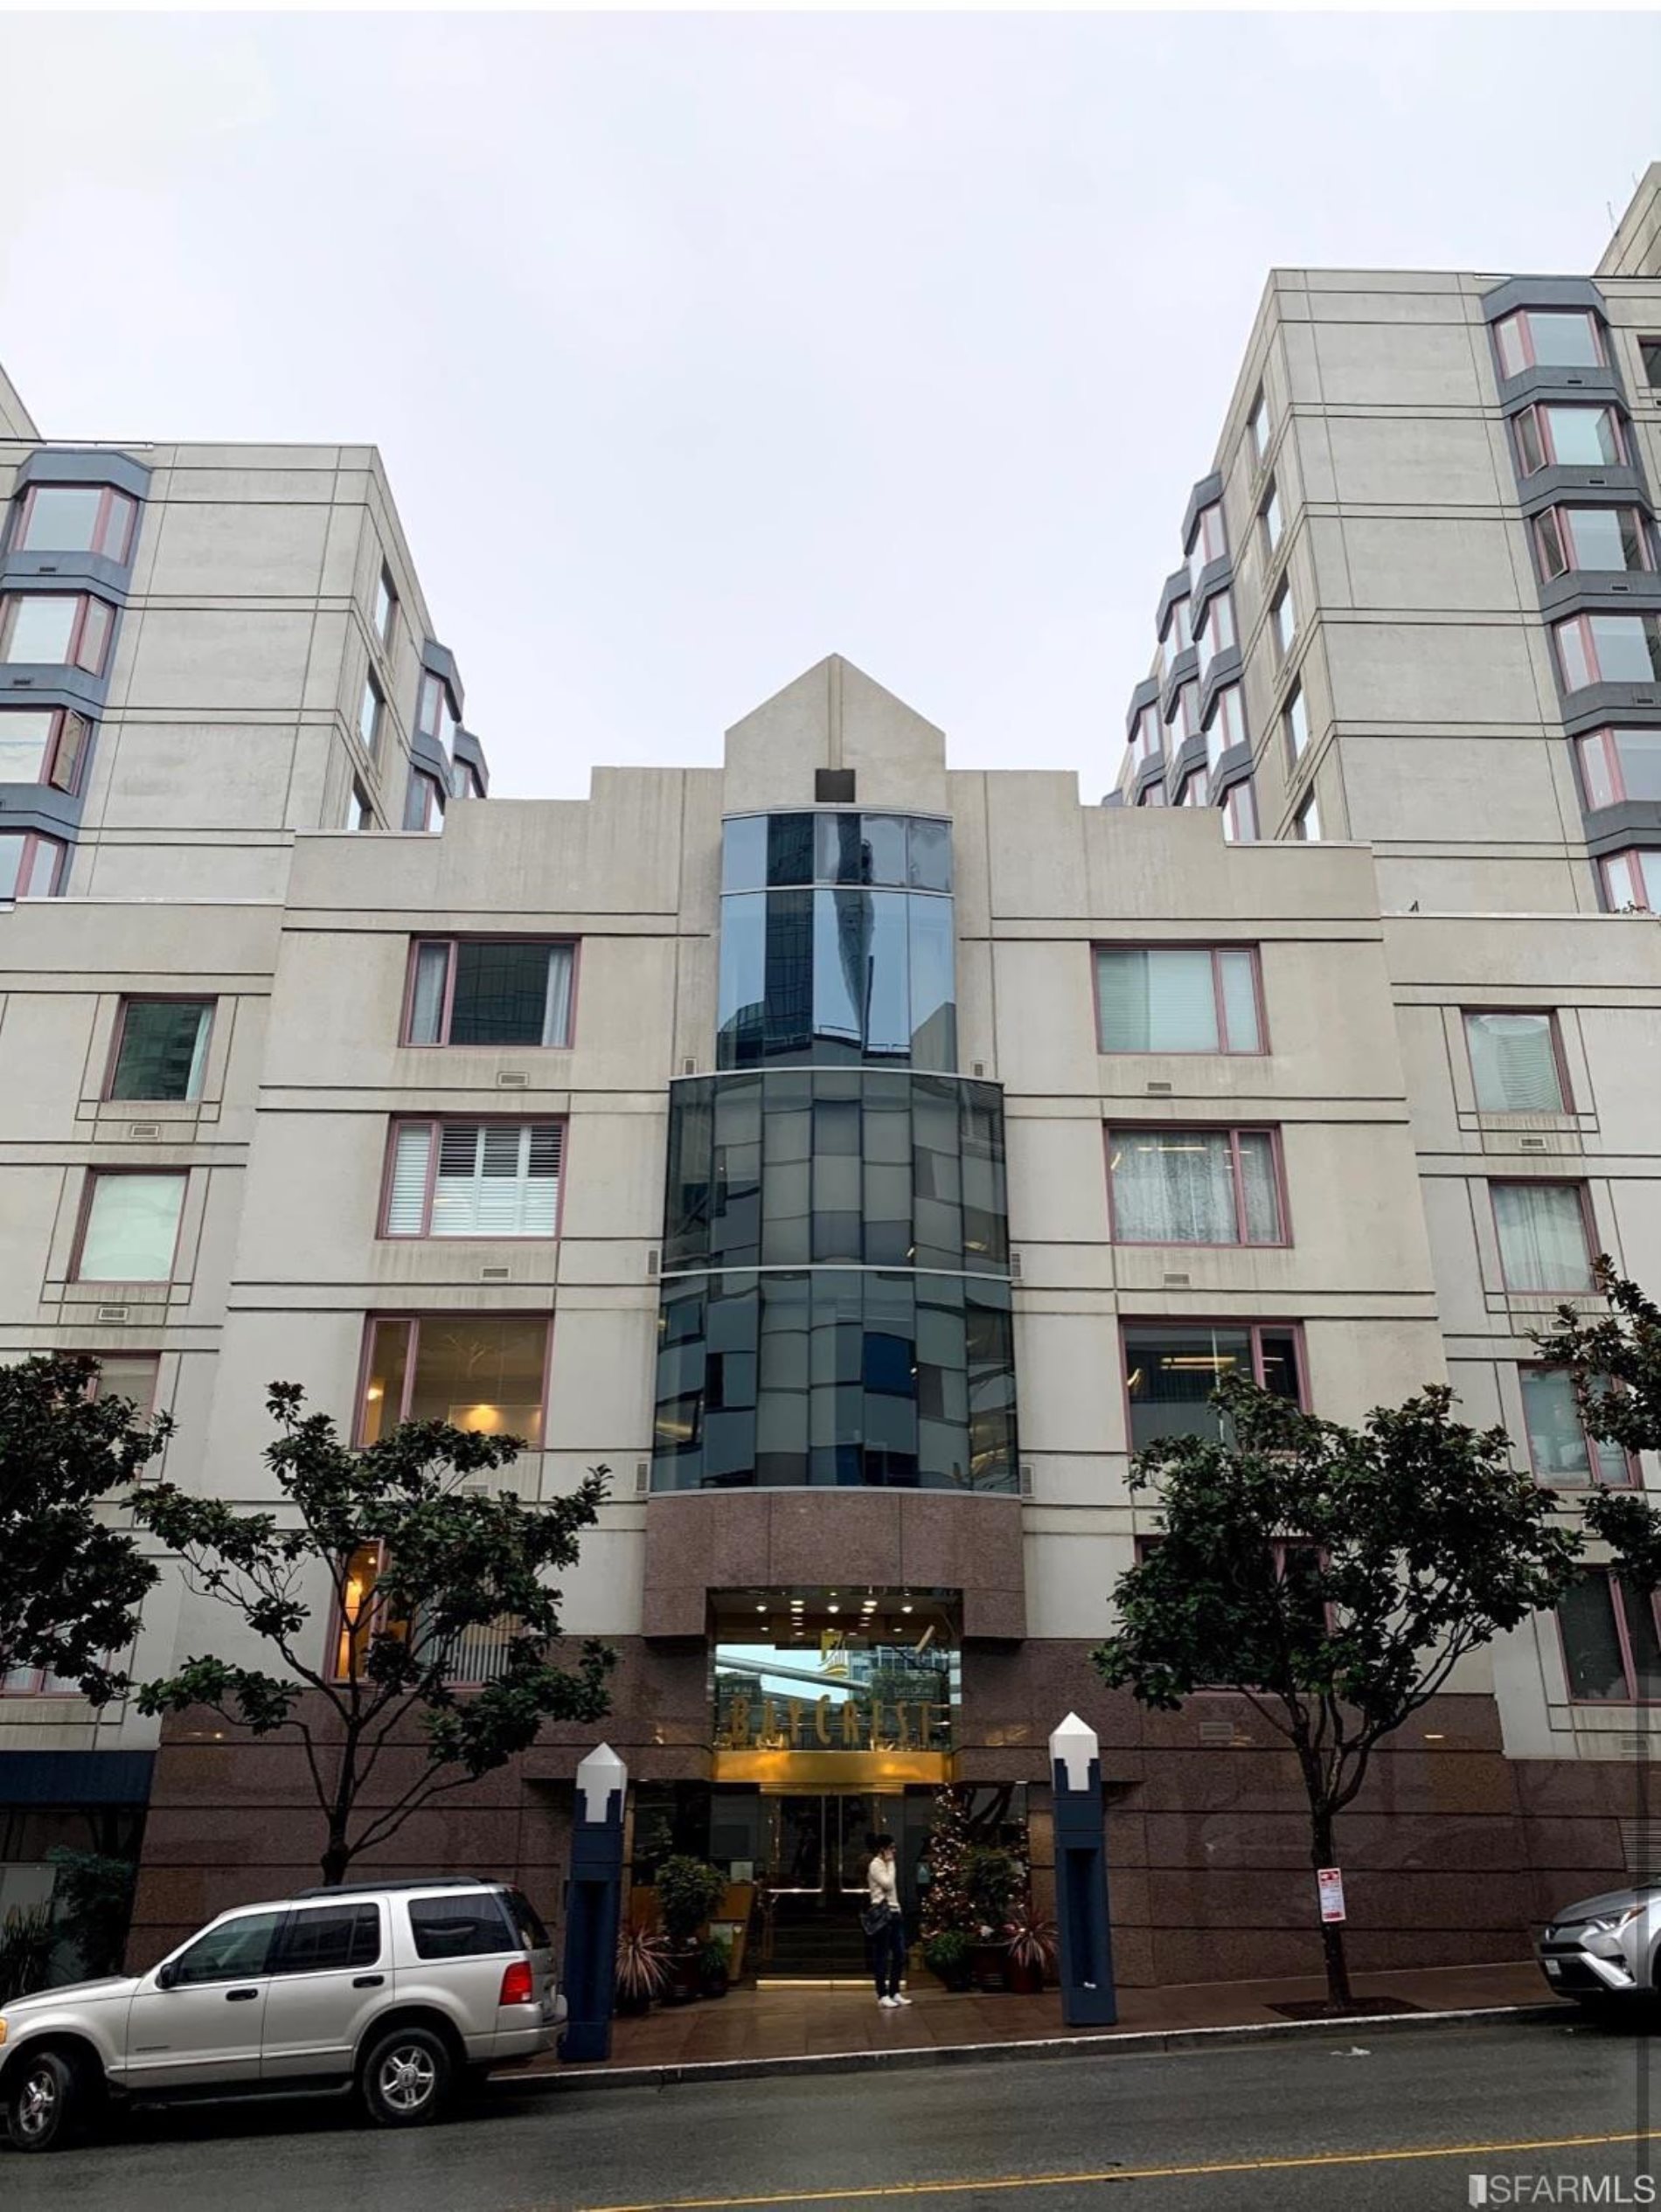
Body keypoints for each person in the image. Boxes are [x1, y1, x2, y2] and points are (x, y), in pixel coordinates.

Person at [865, 1833, 911, 2008]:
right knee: (882, 1955)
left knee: (899, 1954)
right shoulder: (876, 1865)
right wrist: (891, 1863)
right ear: (883, 1849)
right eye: (891, 1848)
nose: (894, 1851)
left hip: (894, 1912)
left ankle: (895, 1991)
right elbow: (888, 1884)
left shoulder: (886, 1864)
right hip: (883, 1914)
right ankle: (882, 1994)